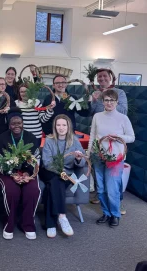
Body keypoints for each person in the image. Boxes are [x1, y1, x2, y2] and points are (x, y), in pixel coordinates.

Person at [88, 89, 135, 227]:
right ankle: (106, 213)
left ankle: (115, 214)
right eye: (106, 100)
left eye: (112, 100)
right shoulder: (97, 116)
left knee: (112, 188)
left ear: (116, 102)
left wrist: (118, 137)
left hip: (115, 159)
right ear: (102, 102)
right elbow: (92, 136)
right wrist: (89, 153)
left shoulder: (123, 118)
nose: (109, 103)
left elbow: (132, 137)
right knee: (101, 188)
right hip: (98, 156)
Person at [0, 107, 41, 240]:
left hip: (27, 171)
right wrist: (12, 174)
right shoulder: (2, 138)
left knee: (33, 190)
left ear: (23, 123)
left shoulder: (31, 137)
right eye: (13, 123)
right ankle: (9, 224)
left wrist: (28, 173)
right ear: (9, 124)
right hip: (7, 172)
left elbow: (36, 158)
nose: (16, 126)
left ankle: (27, 224)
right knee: (11, 191)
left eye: (19, 123)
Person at [40, 114, 86, 238]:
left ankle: (50, 224)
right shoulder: (49, 140)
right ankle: (62, 216)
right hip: (49, 171)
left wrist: (78, 159)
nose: (61, 128)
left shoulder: (75, 141)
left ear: (68, 126)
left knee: (53, 186)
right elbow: (47, 162)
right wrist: (60, 171)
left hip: (66, 174)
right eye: (58, 125)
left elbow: (83, 162)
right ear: (55, 126)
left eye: (64, 125)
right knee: (56, 179)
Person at [89, 69, 128, 212]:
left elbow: (123, 111)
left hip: (114, 144)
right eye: (100, 76)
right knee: (99, 174)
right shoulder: (95, 93)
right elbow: (91, 114)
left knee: (113, 177)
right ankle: (103, 200)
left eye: (105, 76)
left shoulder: (119, 93)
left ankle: (118, 203)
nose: (102, 78)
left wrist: (107, 100)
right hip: (99, 141)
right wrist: (94, 100)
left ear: (111, 78)